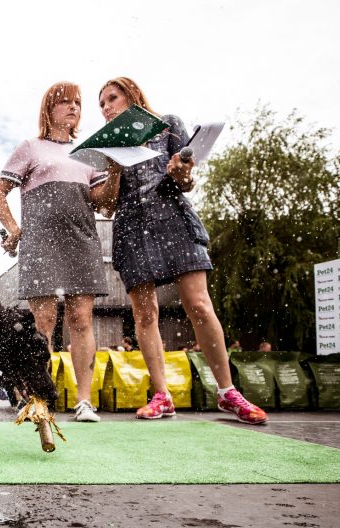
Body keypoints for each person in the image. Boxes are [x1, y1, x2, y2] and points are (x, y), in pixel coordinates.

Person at [96, 76, 267, 424]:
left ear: (132, 96)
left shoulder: (167, 125)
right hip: (131, 227)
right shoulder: (105, 147)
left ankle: (227, 392)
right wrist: (113, 168)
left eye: (112, 98)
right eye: (101, 104)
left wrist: (180, 172)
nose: (106, 107)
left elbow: (188, 181)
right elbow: (108, 205)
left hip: (172, 217)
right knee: (145, 314)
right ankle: (162, 396)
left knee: (199, 304)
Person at [0, 81, 118, 422]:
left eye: (77, 102)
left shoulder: (90, 152)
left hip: (81, 241)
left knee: (81, 320)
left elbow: (104, 202)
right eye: (65, 102)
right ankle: (38, 398)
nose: (73, 107)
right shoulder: (30, 147)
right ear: (49, 109)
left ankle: (84, 401)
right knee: (43, 323)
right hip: (40, 244)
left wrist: (117, 166)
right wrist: (15, 230)